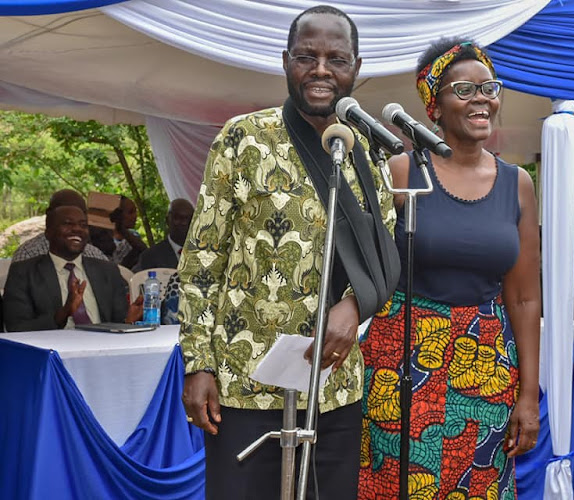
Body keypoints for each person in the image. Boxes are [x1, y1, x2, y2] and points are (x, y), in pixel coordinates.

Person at [178, 6, 398, 499]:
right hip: (243, 379)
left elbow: (385, 255)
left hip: (333, 385)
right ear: (285, 62)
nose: (321, 70)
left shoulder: (369, 150)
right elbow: (201, 261)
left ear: (356, 68)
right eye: (307, 56)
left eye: (336, 59)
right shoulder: (243, 138)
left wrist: (355, 304)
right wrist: (197, 364)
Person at [358, 39, 540, 499]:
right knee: (392, 486)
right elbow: (361, 267)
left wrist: (529, 394)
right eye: (464, 89)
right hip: (399, 360)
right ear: (433, 105)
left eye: (489, 88)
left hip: (484, 366)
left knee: (474, 485)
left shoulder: (518, 184)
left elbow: (523, 297)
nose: (482, 98)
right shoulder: (399, 173)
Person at [3, 206, 142, 332]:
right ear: (48, 233)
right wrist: (62, 314)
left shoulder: (107, 270)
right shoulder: (24, 272)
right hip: (53, 354)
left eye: (83, 225)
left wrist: (128, 321)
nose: (77, 229)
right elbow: (16, 328)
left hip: (103, 350)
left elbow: (118, 322)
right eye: (68, 224)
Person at [11, 189, 109, 263]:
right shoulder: (28, 255)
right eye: (68, 222)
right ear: (49, 217)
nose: (76, 228)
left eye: (81, 221)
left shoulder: (95, 256)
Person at [133, 198, 194, 272]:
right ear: (167, 220)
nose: (182, 223)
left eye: (187, 219)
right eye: (176, 218)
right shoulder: (150, 256)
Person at [110, 195, 147, 269]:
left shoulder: (133, 235)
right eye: (130, 212)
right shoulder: (105, 239)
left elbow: (144, 251)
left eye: (135, 211)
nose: (135, 216)